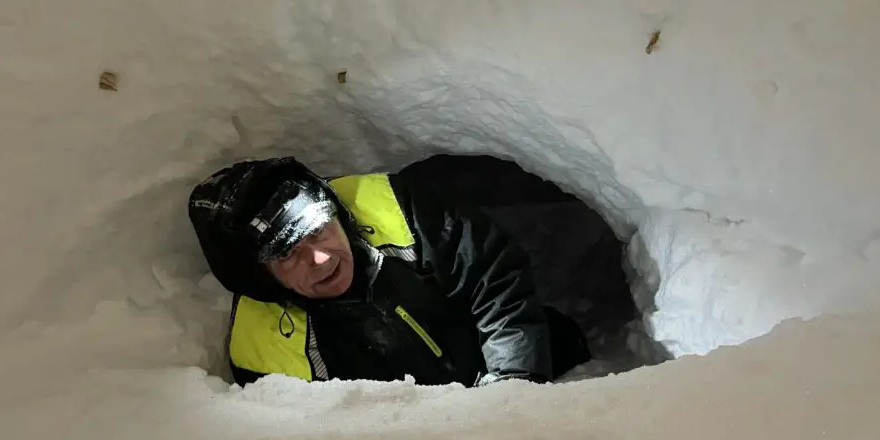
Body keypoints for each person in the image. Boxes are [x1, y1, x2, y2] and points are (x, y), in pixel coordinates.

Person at [187, 155, 593, 388]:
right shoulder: (264, 348)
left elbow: (494, 278)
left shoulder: (393, 207)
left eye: (319, 231)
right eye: (288, 254)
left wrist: (515, 383)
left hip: (506, 363)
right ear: (261, 276)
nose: (322, 259)